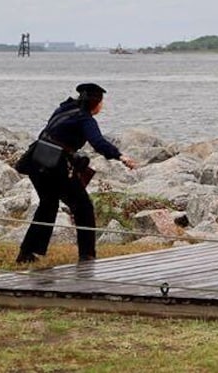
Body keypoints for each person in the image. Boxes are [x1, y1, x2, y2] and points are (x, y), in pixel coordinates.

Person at [16, 83, 137, 264]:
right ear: (95, 103)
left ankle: (26, 253)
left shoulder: (64, 109)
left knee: (47, 205)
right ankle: (87, 256)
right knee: (83, 208)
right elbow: (98, 142)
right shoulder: (84, 118)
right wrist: (120, 156)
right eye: (101, 102)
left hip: (36, 159)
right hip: (55, 166)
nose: (102, 106)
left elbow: (52, 134)